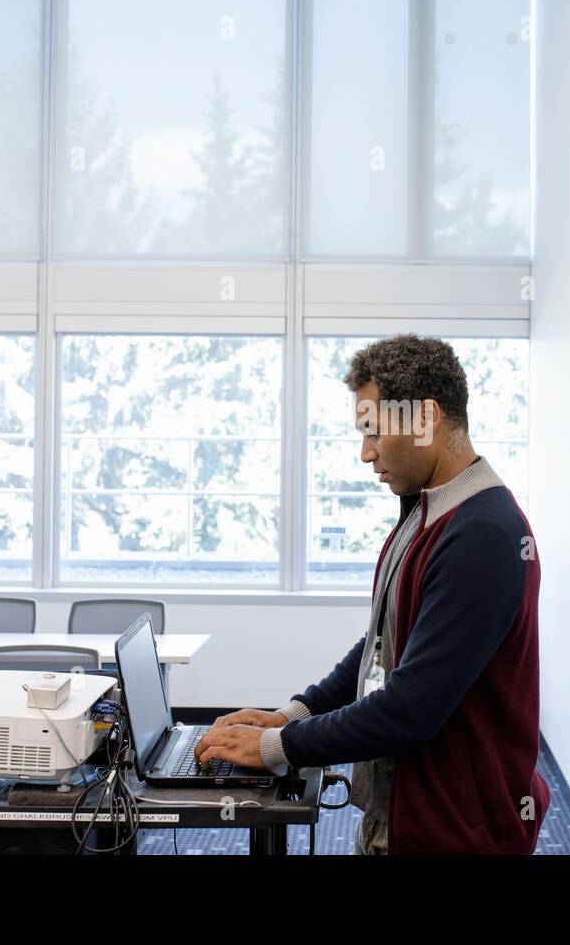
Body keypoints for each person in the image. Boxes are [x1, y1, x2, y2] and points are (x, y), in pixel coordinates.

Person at [194, 334, 549, 854]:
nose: (365, 455)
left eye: (373, 434)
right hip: (406, 815)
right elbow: (387, 639)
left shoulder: (482, 534)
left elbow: (409, 710)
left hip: (454, 833)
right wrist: (297, 712)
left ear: (425, 419)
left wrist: (277, 747)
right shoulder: (426, 511)